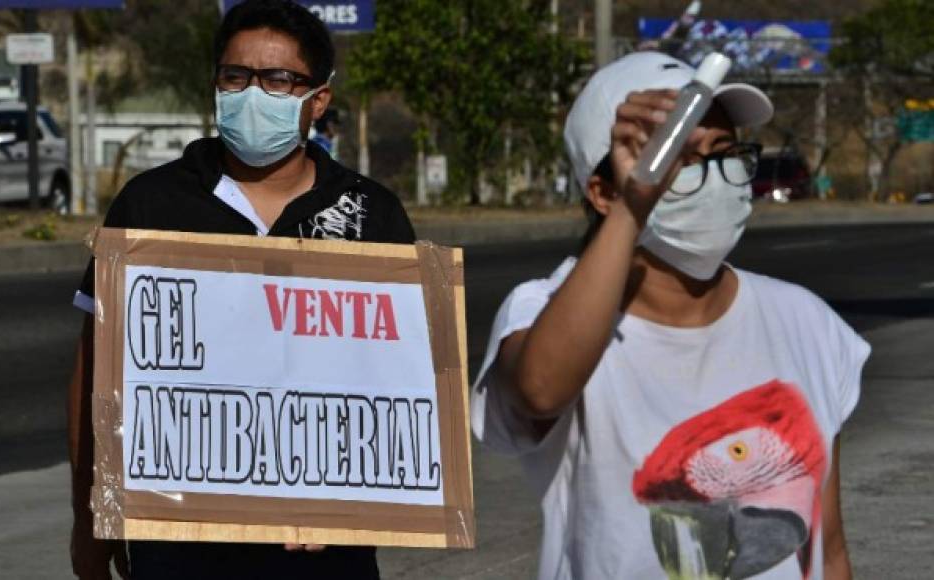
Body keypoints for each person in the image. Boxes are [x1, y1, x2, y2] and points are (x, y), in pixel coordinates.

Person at [471, 51, 868, 580]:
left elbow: (828, 550)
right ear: (602, 192)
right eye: (680, 157)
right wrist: (634, 208)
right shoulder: (543, 308)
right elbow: (540, 389)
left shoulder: (807, 322)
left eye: (724, 151)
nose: (716, 173)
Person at [67, 1, 413, 579]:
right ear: (216, 85)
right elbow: (95, 371)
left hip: (326, 553)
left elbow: (402, 383)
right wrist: (89, 520)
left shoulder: (373, 215)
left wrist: (353, 502)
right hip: (177, 546)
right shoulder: (149, 203)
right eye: (237, 76)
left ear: (317, 100)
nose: (253, 93)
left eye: (278, 79)